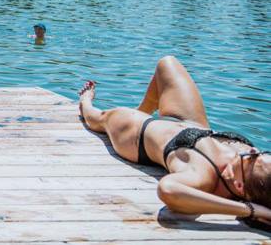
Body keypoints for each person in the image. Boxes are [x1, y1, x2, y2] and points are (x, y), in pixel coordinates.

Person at [78, 56, 271, 226]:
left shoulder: (202, 175)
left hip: (140, 136)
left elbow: (168, 190)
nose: (254, 151)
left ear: (239, 185)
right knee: (167, 64)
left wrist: (252, 210)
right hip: (191, 123)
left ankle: (86, 101)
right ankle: (141, 110)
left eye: (252, 159)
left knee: (97, 118)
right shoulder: (251, 167)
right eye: (262, 154)